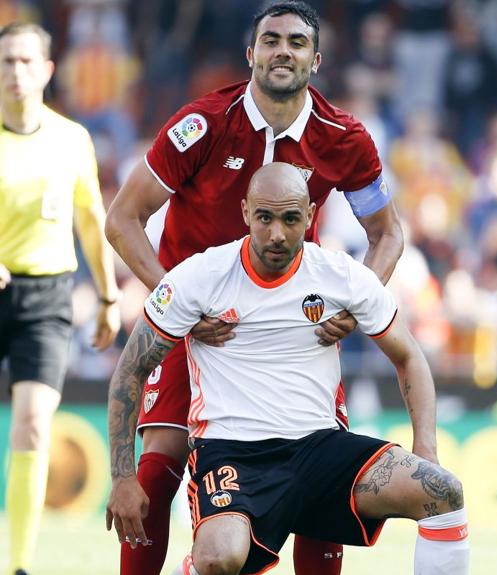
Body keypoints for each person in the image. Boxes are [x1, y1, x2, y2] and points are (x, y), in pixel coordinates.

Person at [104, 3, 404, 575]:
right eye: (270, 40)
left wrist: (357, 301)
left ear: (316, 59)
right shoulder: (203, 124)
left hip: (292, 327)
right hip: (199, 328)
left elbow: (388, 232)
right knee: (160, 460)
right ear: (251, 55)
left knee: (319, 470)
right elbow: (122, 218)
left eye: (296, 42)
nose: (282, 51)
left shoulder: (342, 136)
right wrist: (177, 307)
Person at [106, 162, 470, 575]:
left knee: (442, 491)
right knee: (218, 558)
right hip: (233, 452)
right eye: (265, 217)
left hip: (319, 448)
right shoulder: (200, 277)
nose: (277, 233)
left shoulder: (341, 276)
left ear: (311, 216)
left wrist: (427, 448)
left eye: (291, 218)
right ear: (245, 212)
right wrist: (121, 475)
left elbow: (410, 357)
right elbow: (130, 370)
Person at [0, 22, 121, 575]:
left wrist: (107, 296)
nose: (16, 72)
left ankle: (19, 564)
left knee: (32, 423)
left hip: (46, 297)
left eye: (26, 61)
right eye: (6, 62)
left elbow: (91, 219)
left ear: (48, 70)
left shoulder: (72, 138)